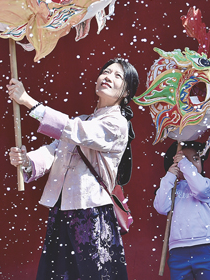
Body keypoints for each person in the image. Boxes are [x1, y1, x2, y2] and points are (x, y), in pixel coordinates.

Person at [7, 58, 139, 280]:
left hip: (92, 212)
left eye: (118, 76)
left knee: (95, 275)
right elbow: (54, 151)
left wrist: (28, 102)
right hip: (62, 210)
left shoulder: (117, 124)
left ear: (126, 92)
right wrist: (26, 160)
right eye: (105, 72)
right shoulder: (82, 121)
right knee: (57, 275)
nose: (108, 77)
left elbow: (75, 131)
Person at [154, 141, 210, 280]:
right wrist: (169, 176)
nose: (190, 164)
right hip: (178, 251)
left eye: (195, 159)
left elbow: (200, 189)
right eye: (183, 159)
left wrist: (184, 164)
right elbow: (161, 207)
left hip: (204, 247)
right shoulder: (173, 189)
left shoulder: (205, 183)